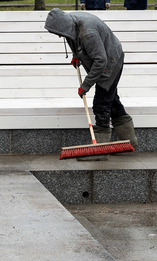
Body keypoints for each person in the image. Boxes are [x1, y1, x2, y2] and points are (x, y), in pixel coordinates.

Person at [44, 8, 138, 157]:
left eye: (58, 32)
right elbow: (72, 38)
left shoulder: (88, 33)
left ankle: (100, 148)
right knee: (112, 101)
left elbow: (101, 61)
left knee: (101, 104)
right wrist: (76, 55)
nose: (58, 36)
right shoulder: (71, 23)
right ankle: (129, 141)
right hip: (104, 59)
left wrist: (86, 85)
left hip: (111, 62)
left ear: (64, 25)